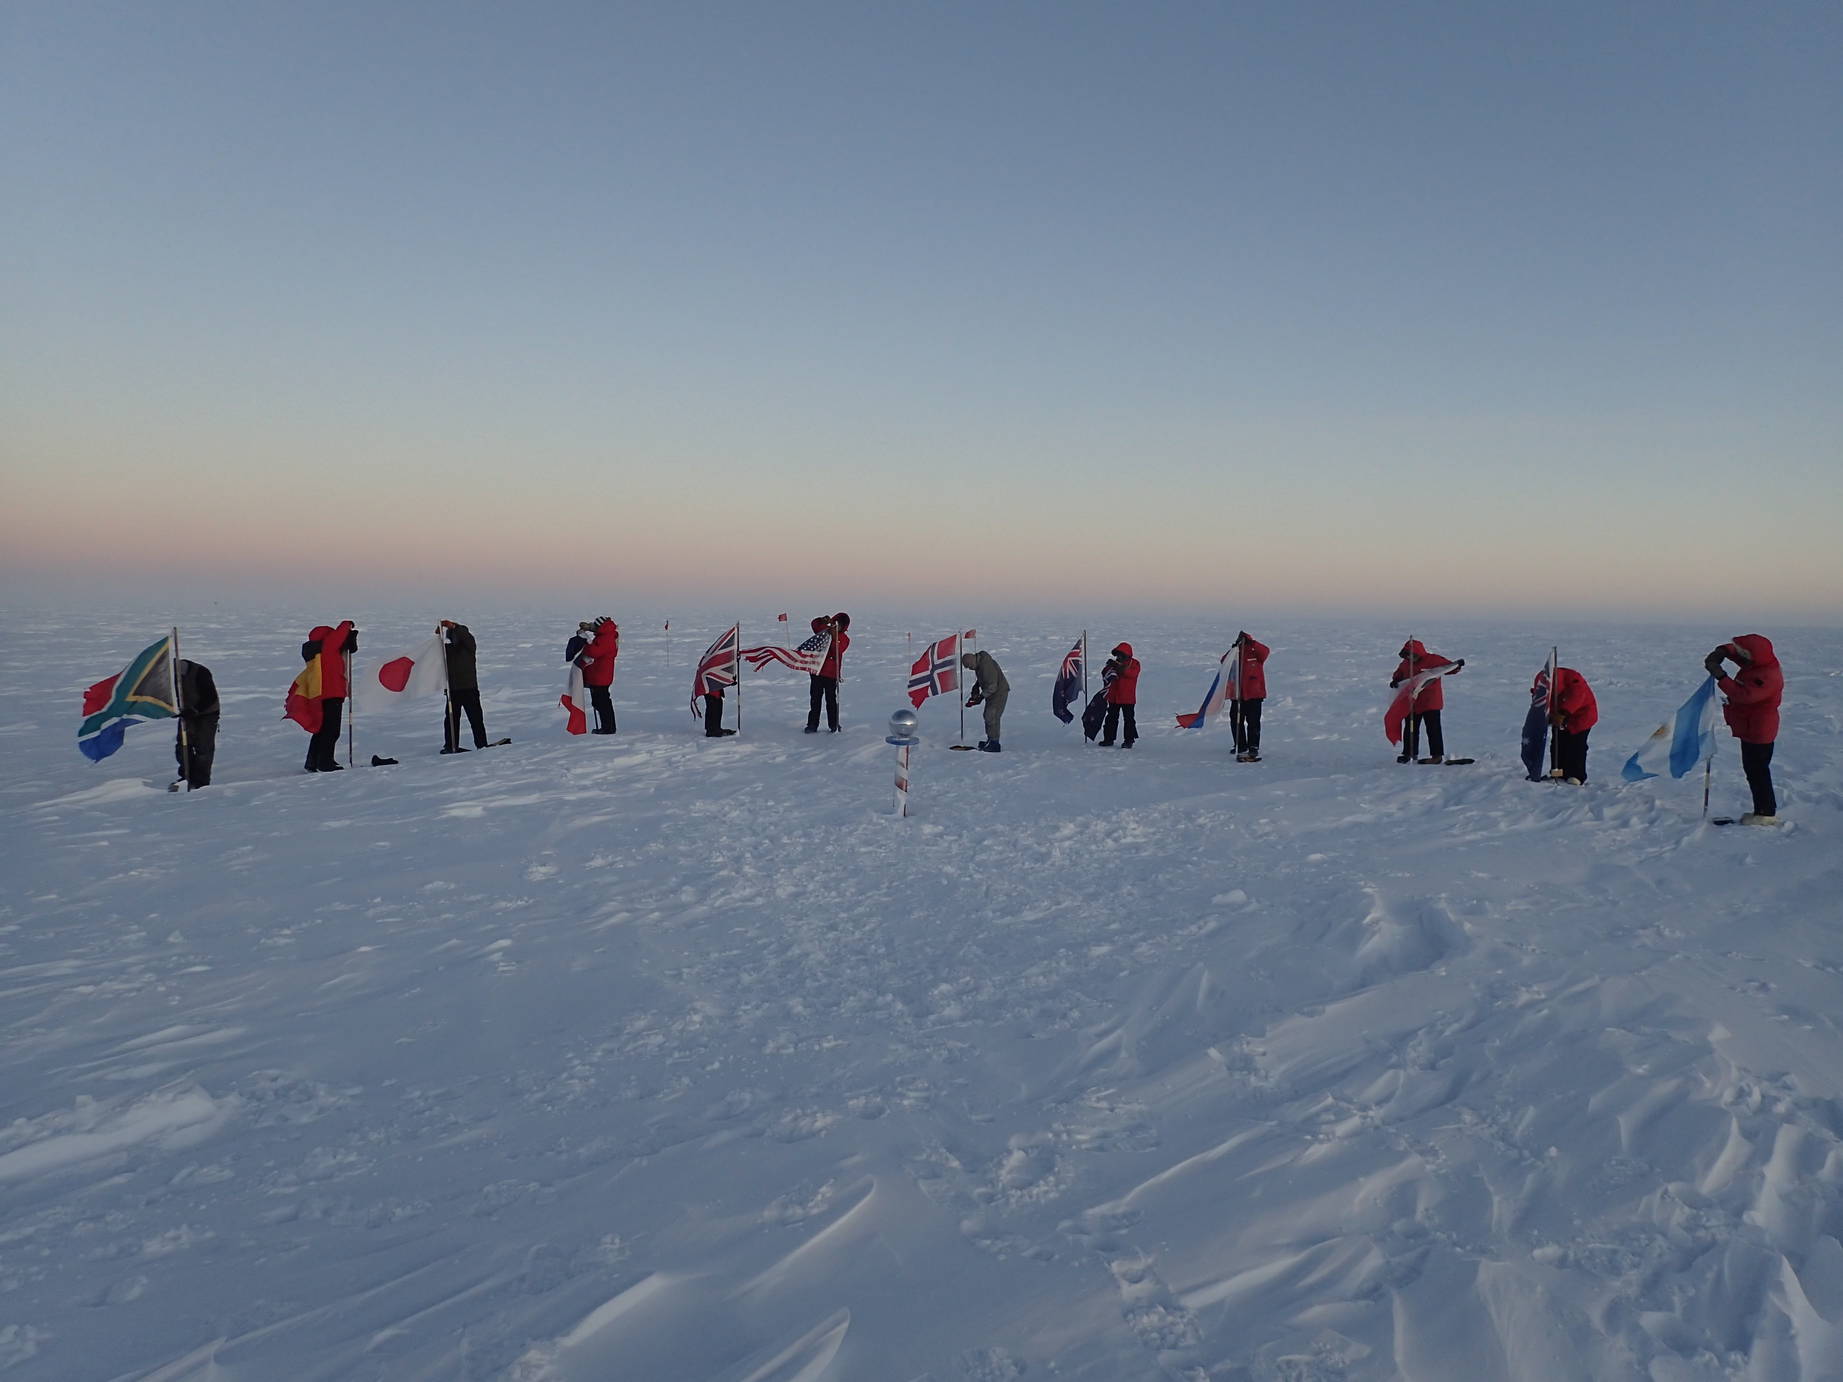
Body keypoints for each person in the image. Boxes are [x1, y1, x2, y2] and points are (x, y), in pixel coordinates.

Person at [1706, 635, 1784, 825]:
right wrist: (1722, 651)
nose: (1740, 653)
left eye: (1743, 651)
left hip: (1759, 730)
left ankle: (1766, 814)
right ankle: (1762, 811)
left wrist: (1721, 676)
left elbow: (1744, 695)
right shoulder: (1758, 662)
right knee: (1754, 770)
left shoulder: (1767, 675)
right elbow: (1740, 654)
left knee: (1758, 771)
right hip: (1752, 727)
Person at [1390, 639, 1461, 764]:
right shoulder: (1405, 664)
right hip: (1413, 702)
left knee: (1433, 730)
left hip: (1431, 702)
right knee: (1411, 729)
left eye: (1412, 655)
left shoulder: (1433, 660)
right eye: (1408, 655)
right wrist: (1395, 680)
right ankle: (1409, 753)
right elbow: (1399, 674)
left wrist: (1457, 666)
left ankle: (1437, 756)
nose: (1410, 657)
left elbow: (1448, 668)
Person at [300, 621, 357, 771]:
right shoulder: (327, 648)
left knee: (322, 729)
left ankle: (312, 761)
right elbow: (337, 636)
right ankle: (325, 762)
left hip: (320, 693)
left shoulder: (316, 651)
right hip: (332, 694)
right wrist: (347, 624)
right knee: (331, 730)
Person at [439, 620, 490, 753]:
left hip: (469, 689)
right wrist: (437, 637)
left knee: (476, 719)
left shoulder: (469, 647)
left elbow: (466, 637)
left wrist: (454, 627)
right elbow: (436, 651)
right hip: (453, 691)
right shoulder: (447, 651)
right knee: (451, 720)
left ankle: (481, 744)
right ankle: (451, 746)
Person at [174, 658, 219, 788]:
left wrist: (195, 710)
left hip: (207, 713)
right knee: (183, 745)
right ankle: (186, 776)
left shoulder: (201, 672)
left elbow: (210, 698)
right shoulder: (168, 678)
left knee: (203, 748)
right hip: (187, 713)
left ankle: (200, 781)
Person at [1548, 666, 1598, 784]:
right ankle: (1558, 773)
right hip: (1558, 718)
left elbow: (1577, 698)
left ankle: (1576, 776)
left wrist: (1562, 714)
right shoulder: (1543, 680)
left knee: (1576, 746)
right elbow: (1540, 698)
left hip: (1582, 718)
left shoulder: (1574, 680)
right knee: (1557, 745)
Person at [804, 612, 851, 733]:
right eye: (836, 623)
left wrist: (835, 638)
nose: (837, 626)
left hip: (831, 674)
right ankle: (812, 725)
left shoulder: (844, 639)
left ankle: (834, 725)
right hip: (817, 671)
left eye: (840, 625)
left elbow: (838, 650)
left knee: (831, 701)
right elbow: (814, 624)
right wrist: (822, 620)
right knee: (815, 700)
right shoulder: (825, 631)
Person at [1229, 632, 1270, 762]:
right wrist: (1233, 649)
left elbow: (1265, 652)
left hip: (1254, 694)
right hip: (1238, 695)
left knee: (1253, 722)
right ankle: (1240, 745)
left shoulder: (1255, 653)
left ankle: (1253, 746)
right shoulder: (1235, 654)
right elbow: (1224, 661)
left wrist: (1253, 643)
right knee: (1236, 721)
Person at [961, 649, 1010, 752]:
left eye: (970, 666)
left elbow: (992, 686)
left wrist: (980, 697)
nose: (970, 669)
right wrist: (976, 687)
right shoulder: (980, 663)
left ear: (972, 661)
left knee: (992, 716)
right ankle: (990, 739)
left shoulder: (985, 666)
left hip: (999, 693)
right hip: (991, 693)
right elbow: (983, 678)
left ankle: (994, 743)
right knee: (987, 715)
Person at [577, 616, 619, 734]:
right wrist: (589, 628)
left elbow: (593, 651)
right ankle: (607, 727)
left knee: (602, 703)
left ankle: (608, 728)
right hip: (601, 675)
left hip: (600, 676)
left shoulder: (606, 639)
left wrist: (585, 641)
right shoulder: (608, 635)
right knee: (601, 701)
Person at [1099, 642, 1140, 748]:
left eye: (1121, 655)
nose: (1119, 657)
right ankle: (1108, 739)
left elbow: (1130, 674)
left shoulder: (1135, 664)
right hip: (1114, 697)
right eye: (1118, 655)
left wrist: (1118, 666)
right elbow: (1104, 674)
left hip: (1127, 698)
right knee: (1111, 718)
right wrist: (1109, 666)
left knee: (1129, 720)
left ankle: (1129, 740)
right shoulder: (1114, 663)